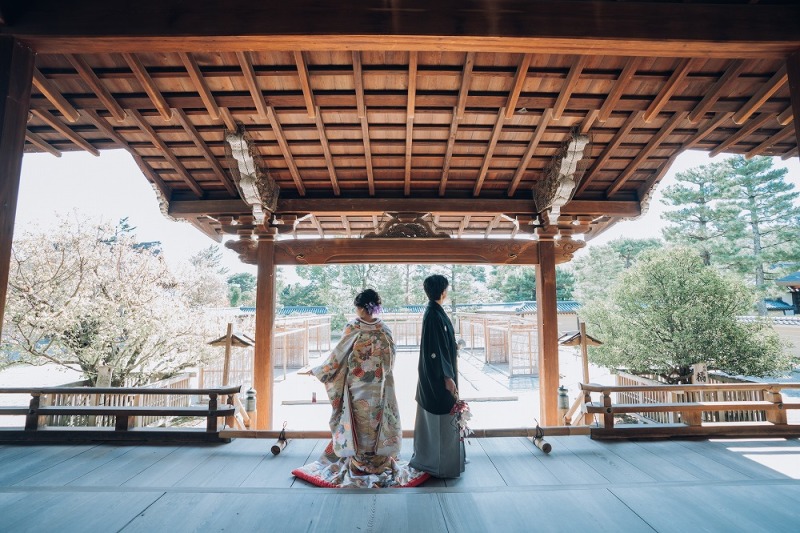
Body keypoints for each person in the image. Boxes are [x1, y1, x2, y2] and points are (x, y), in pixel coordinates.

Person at [292, 289, 429, 488]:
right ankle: (378, 461)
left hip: (357, 386)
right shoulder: (385, 329)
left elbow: (337, 356)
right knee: (376, 422)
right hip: (379, 386)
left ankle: (360, 462)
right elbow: (390, 361)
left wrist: (319, 371)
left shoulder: (354, 327)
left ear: (361, 307)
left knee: (359, 422)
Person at [409, 274, 466, 478]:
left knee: (442, 415)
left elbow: (441, 344)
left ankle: (437, 460)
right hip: (438, 377)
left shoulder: (434, 312)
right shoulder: (433, 314)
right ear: (443, 291)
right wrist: (447, 377)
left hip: (436, 374)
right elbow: (435, 350)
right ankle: (439, 464)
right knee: (442, 415)